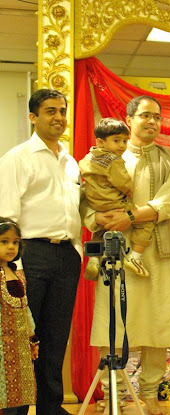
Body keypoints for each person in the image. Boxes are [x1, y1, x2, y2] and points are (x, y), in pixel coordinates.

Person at [84, 95, 170, 415]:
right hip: (115, 250)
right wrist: (97, 218)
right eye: (145, 115)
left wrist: (130, 217)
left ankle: (150, 393)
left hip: (156, 251)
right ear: (129, 120)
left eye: (157, 116)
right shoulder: (107, 156)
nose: (152, 121)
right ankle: (112, 392)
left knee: (159, 323)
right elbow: (86, 197)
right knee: (113, 321)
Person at [0, 88, 82, 415]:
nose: (59, 117)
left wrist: (77, 252)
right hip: (29, 255)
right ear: (33, 117)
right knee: (22, 338)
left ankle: (51, 407)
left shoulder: (70, 161)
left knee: (55, 338)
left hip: (66, 257)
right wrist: (12, 265)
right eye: (50, 111)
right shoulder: (17, 158)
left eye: (62, 111)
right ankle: (16, 410)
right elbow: (6, 216)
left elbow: (74, 212)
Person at [79, 118, 154, 279]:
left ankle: (93, 259)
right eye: (116, 140)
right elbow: (123, 181)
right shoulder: (113, 161)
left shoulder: (88, 158)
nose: (122, 145)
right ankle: (135, 257)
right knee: (146, 221)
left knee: (99, 231)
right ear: (101, 142)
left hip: (96, 205)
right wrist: (130, 190)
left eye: (124, 141)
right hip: (115, 203)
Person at [0, 218, 39, 415]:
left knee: (21, 394)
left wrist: (32, 338)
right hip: (2, 348)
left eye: (15, 242)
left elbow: (26, 309)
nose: (11, 247)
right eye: (4, 241)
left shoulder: (16, 273)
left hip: (20, 346)